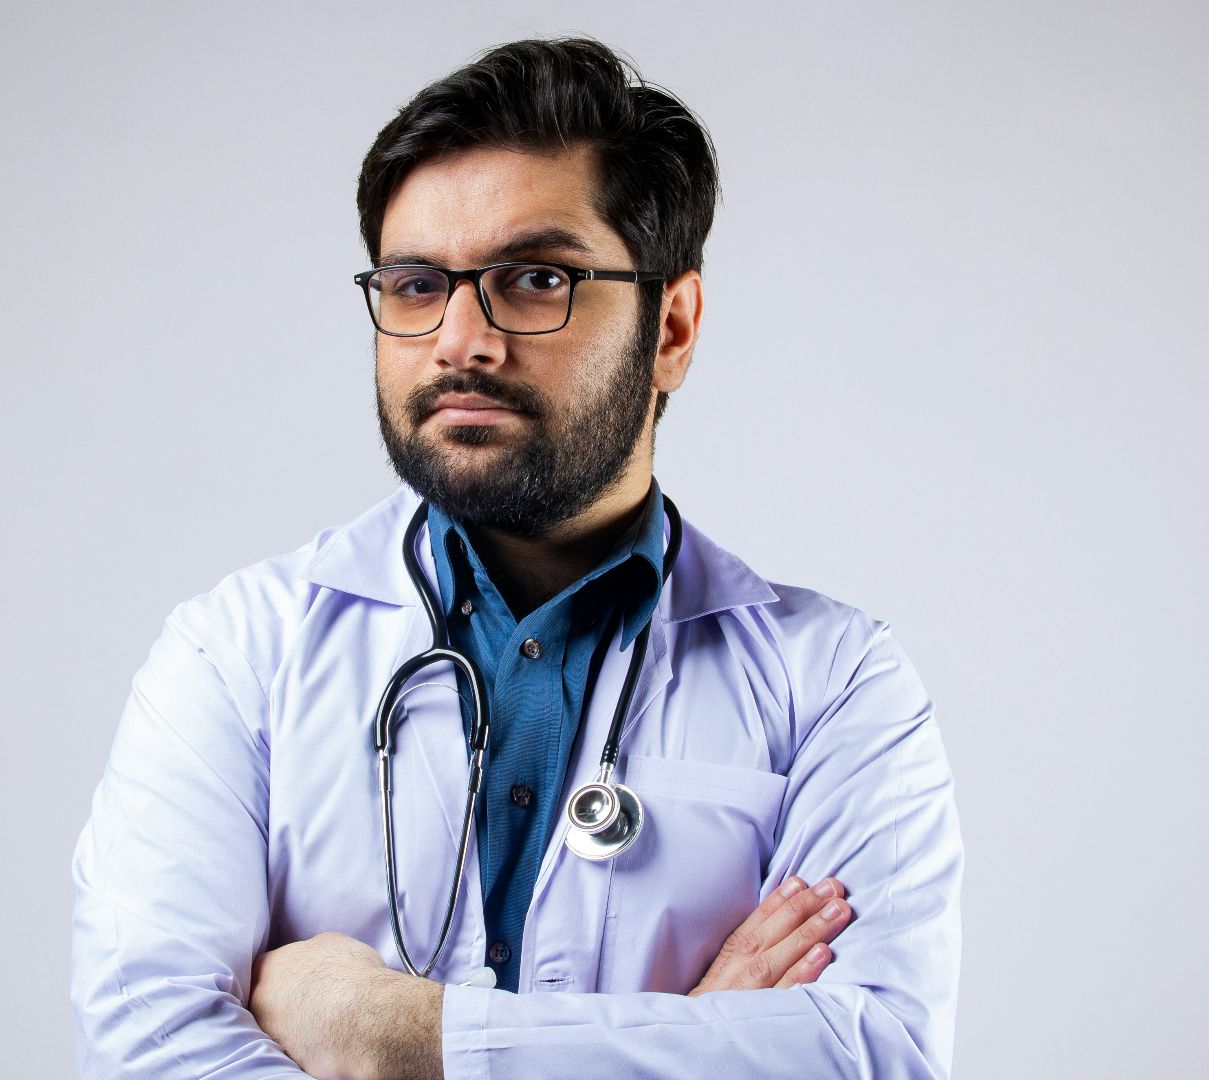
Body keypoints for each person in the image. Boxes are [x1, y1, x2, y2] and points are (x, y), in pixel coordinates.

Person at [70, 37, 963, 1079]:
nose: (459, 340)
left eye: (535, 279)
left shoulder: (835, 683)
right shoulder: (237, 654)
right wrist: (696, 1040)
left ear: (671, 326)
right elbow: (150, 1048)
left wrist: (397, 1034)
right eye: (414, 284)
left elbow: (874, 1056)